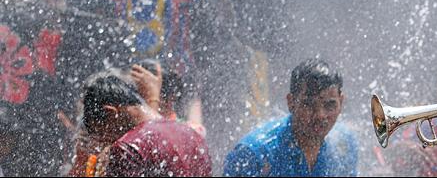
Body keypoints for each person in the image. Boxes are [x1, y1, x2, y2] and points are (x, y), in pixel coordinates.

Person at [223, 59, 358, 176]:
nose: (320, 115)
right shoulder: (255, 154)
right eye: (309, 104)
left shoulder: (344, 145)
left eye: (329, 105)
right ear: (291, 103)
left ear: (341, 102)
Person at [75, 68, 211, 177]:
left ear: (111, 113)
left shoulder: (126, 149)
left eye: (102, 134)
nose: (107, 145)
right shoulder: (192, 135)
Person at [130, 60, 206, 137]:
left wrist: (152, 99)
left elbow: (152, 139)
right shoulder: (128, 125)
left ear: (171, 97)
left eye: (145, 92)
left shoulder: (188, 131)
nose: (138, 100)